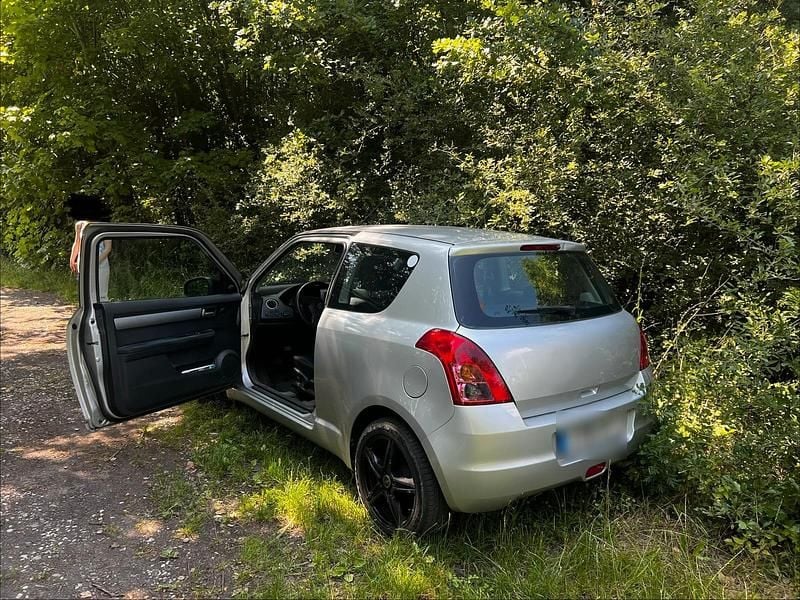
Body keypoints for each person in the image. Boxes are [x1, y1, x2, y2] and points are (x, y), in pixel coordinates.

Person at [70, 220, 112, 301]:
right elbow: (77, 243)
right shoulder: (80, 225)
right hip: (83, 263)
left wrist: (94, 262)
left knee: (101, 294)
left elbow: (108, 248)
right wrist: (72, 258)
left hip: (100, 265)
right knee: (85, 293)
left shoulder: (104, 224)